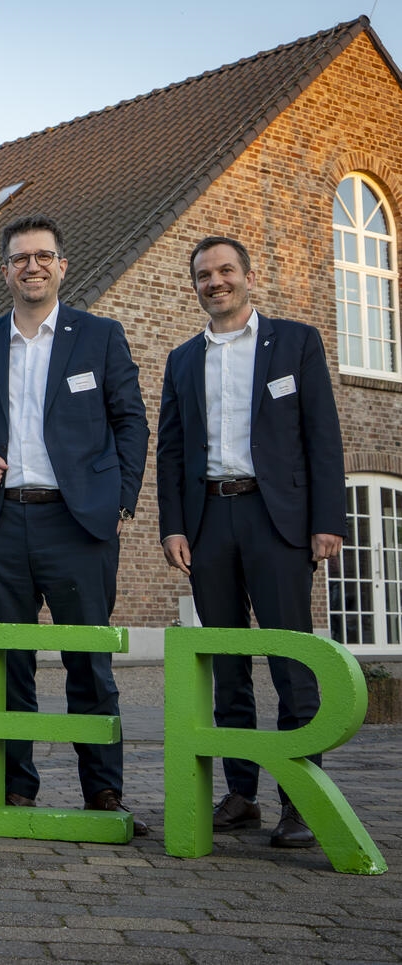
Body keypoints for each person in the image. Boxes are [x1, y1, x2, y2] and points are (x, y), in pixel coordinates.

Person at [0, 215, 150, 834]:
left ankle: (104, 794)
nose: (31, 266)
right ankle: (14, 791)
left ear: (62, 266)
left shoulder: (100, 336)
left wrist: (117, 503)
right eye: (19, 258)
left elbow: (131, 423)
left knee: (88, 661)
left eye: (42, 256)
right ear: (5, 270)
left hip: (77, 524)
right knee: (5, 663)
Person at [156, 235, 346, 849]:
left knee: (292, 659)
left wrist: (327, 520)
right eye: (204, 275)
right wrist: (173, 524)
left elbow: (322, 435)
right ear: (195, 286)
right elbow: (174, 449)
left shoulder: (295, 342)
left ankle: (302, 798)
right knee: (228, 663)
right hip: (210, 519)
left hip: (278, 518)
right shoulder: (183, 359)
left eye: (225, 271)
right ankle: (241, 794)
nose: (216, 282)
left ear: (247, 275)